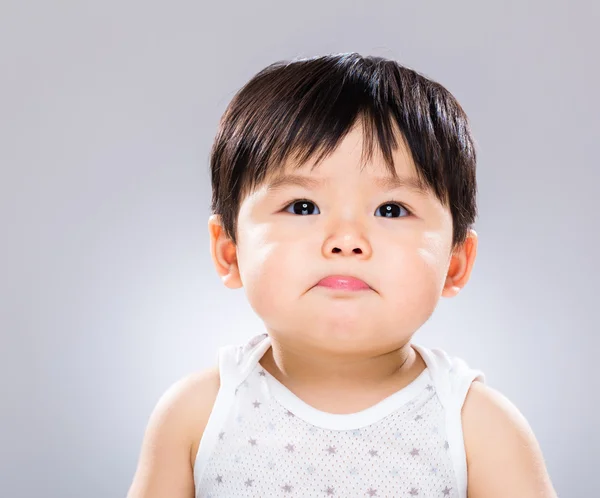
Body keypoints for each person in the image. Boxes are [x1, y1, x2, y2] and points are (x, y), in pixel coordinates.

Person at [127, 53, 557, 498]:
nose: (346, 240)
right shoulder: (198, 414)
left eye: (391, 209)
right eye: (302, 206)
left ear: (455, 263)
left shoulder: (478, 427)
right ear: (229, 251)